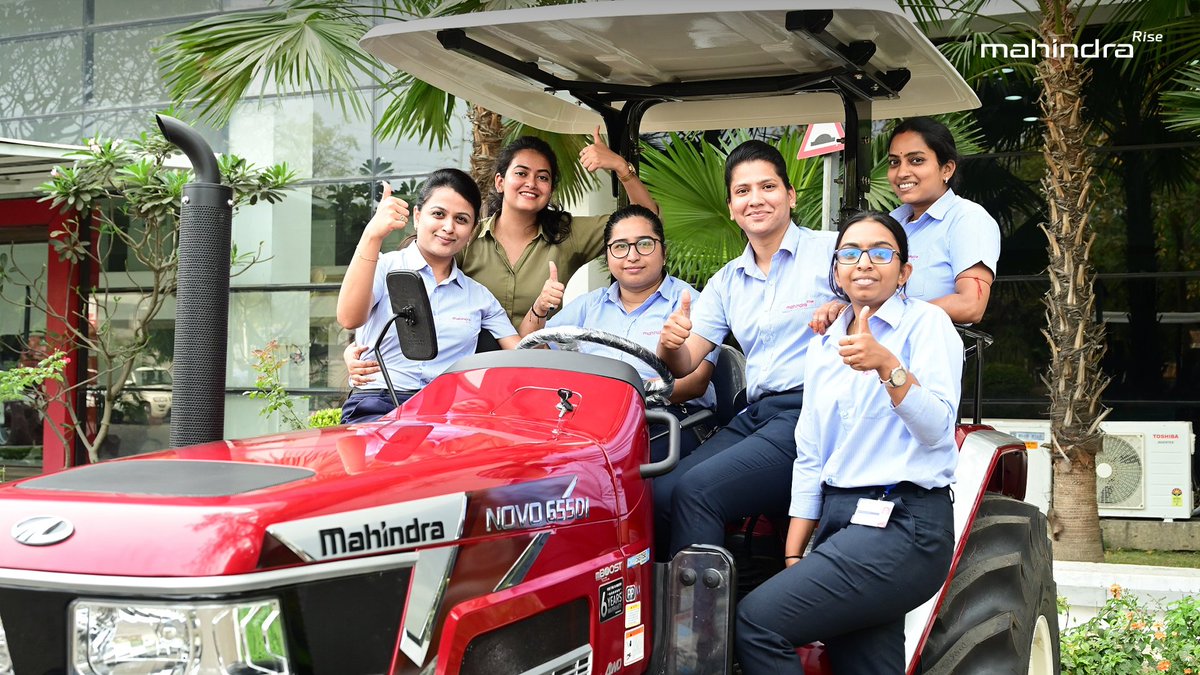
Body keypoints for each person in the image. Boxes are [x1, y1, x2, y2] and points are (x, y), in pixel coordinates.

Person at [735, 211, 963, 675]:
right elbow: (812, 449)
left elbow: (938, 430)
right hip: (841, 523)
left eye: (881, 253)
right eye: (850, 253)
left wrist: (887, 366)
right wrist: (796, 550)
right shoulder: (824, 345)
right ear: (836, 269)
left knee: (758, 623)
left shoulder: (928, 325)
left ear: (904, 271)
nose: (864, 262)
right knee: (865, 665)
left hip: (904, 522)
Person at [344, 130, 659, 379]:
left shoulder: (567, 235)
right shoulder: (464, 236)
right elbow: (398, 294)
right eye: (521, 173)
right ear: (500, 181)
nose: (531, 183)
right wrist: (360, 348)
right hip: (467, 370)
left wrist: (621, 168)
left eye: (543, 177)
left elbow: (644, 224)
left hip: (533, 363)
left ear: (551, 189)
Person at [655, 140, 838, 558]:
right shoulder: (726, 281)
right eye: (742, 191)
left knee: (697, 490)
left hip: (813, 413)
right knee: (661, 492)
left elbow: (882, 304)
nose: (755, 200)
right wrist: (670, 345)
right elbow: (686, 362)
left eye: (767, 187)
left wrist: (844, 305)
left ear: (790, 196)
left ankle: (697, 623)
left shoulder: (832, 253)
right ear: (732, 205)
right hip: (756, 414)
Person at [520, 204, 716, 463]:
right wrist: (540, 308)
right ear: (608, 257)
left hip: (665, 420)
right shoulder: (590, 304)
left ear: (664, 253)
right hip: (589, 422)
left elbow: (696, 382)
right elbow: (531, 345)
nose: (632, 256)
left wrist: (620, 398)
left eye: (644, 244)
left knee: (605, 471)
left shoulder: (691, 304)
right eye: (620, 246)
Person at [336, 168, 519, 423]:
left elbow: (521, 354)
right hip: (379, 404)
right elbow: (349, 318)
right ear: (418, 216)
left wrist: (542, 309)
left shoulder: (479, 297)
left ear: (472, 230)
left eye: (461, 219)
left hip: (446, 414)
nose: (448, 227)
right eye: (438, 214)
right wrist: (373, 234)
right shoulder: (384, 267)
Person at [810, 116, 1000, 331]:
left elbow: (971, 305)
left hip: (929, 351)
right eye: (894, 162)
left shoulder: (967, 219)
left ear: (946, 169)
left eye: (916, 160)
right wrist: (842, 309)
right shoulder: (893, 222)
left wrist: (890, 318)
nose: (902, 173)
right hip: (873, 347)